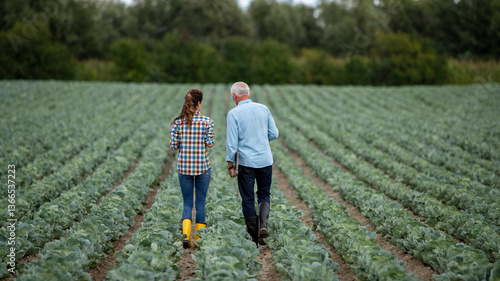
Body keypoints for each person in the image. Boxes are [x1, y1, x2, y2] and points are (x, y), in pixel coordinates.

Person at [226, 82, 279, 246]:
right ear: (248, 93)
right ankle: (263, 225)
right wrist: (262, 142)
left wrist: (230, 164)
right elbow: (274, 133)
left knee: (247, 199)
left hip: (246, 162)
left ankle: (253, 239)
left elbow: (232, 144)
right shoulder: (263, 108)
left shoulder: (233, 113)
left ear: (234, 96)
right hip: (265, 159)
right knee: (264, 193)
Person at [170, 89, 215, 249]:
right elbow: (210, 143)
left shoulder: (178, 123)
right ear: (199, 104)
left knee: (187, 203)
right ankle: (198, 240)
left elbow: (174, 146)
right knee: (201, 203)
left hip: (184, 167)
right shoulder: (207, 121)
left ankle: (186, 237)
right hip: (203, 166)